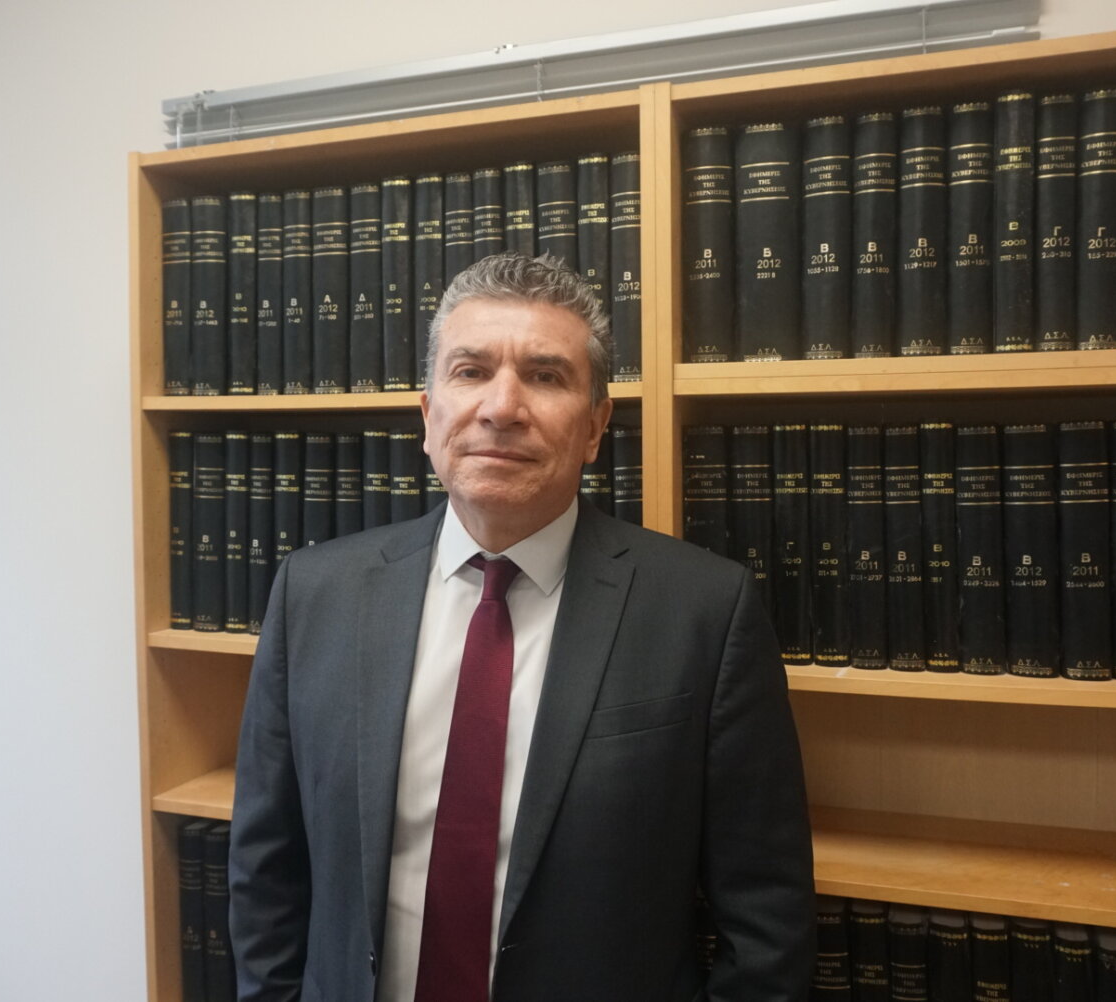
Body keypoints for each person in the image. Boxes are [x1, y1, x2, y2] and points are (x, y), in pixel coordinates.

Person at [229, 252, 814, 1002]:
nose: (501, 407)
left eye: (545, 376)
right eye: (470, 371)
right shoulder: (315, 595)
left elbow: (765, 917)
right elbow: (266, 869)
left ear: (595, 427)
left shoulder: (705, 612)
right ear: (428, 416)